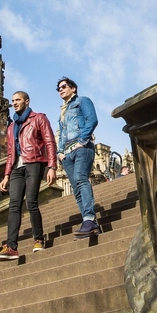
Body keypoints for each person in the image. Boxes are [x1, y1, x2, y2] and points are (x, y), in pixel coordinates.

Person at [0, 91, 57, 260]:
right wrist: (6, 175)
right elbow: (9, 153)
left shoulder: (39, 118)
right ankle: (11, 247)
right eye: (13, 100)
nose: (14, 103)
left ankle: (38, 239)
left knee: (31, 201)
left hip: (34, 162)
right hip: (16, 168)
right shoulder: (11, 126)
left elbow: (50, 141)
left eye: (18, 100)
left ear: (27, 101)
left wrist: (52, 166)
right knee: (14, 205)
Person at [56, 77, 100, 239]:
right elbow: (60, 134)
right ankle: (90, 223)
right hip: (66, 154)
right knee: (76, 188)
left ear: (73, 88)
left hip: (82, 148)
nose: (60, 90)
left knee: (81, 179)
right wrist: (59, 153)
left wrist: (82, 141)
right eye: (58, 88)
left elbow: (92, 120)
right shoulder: (63, 111)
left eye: (63, 86)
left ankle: (89, 218)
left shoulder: (82, 101)